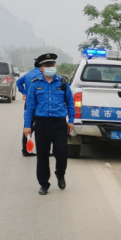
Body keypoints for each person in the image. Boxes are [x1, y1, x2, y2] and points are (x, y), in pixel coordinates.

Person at [23, 53, 74, 195]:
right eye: (47, 65)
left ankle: (60, 173)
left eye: (52, 65)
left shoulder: (63, 83)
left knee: (61, 152)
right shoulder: (35, 84)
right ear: (41, 68)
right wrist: (27, 125)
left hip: (59, 124)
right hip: (42, 124)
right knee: (43, 155)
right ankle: (44, 184)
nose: (50, 67)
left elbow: (70, 103)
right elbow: (30, 107)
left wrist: (71, 121)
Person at [16, 62, 43, 156]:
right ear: (42, 66)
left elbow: (18, 82)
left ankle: (26, 150)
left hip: (28, 104)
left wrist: (24, 92)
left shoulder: (28, 74)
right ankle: (43, 151)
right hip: (40, 105)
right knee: (43, 128)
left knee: (28, 127)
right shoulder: (41, 75)